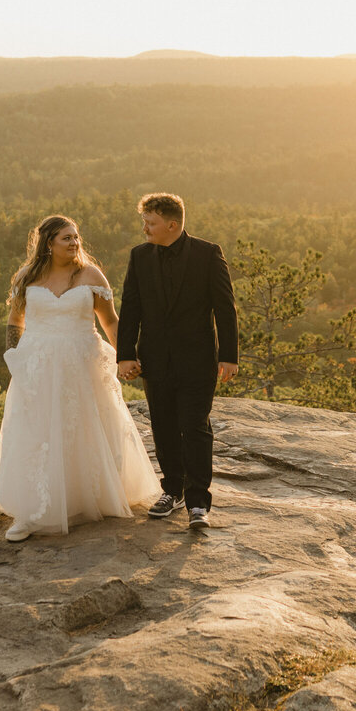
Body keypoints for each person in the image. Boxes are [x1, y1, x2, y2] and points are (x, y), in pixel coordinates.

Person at [0, 215, 161, 543]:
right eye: (66, 238)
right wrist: (14, 357)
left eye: (76, 237)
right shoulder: (27, 277)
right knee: (37, 430)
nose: (74, 242)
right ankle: (33, 509)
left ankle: (90, 497)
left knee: (85, 427)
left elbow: (110, 321)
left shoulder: (91, 275)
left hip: (83, 363)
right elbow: (15, 321)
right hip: (39, 365)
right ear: (48, 243)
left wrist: (126, 357)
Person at [115, 193, 237, 530]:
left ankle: (198, 502)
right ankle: (172, 490)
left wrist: (229, 356)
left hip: (198, 359)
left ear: (172, 225)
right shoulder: (139, 256)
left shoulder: (208, 254)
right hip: (155, 359)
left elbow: (224, 307)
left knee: (195, 426)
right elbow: (131, 307)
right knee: (163, 425)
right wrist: (125, 354)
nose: (144, 229)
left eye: (150, 223)